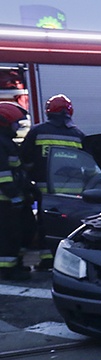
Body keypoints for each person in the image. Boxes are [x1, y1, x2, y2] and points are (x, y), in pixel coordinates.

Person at [20, 94, 86, 270]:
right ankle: (71, 258)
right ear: (69, 111)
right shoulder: (78, 134)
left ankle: (47, 260)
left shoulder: (37, 131)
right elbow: (89, 164)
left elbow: (24, 159)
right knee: (73, 225)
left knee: (45, 224)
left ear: (49, 111)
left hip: (45, 189)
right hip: (74, 193)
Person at [0, 103, 31, 280]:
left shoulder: (6, 142)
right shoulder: (1, 144)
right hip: (4, 200)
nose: (18, 126)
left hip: (10, 197)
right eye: (15, 122)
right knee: (8, 236)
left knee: (19, 232)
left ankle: (16, 264)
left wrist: (28, 187)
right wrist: (13, 195)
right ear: (4, 122)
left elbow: (17, 170)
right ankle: (8, 270)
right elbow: (3, 174)